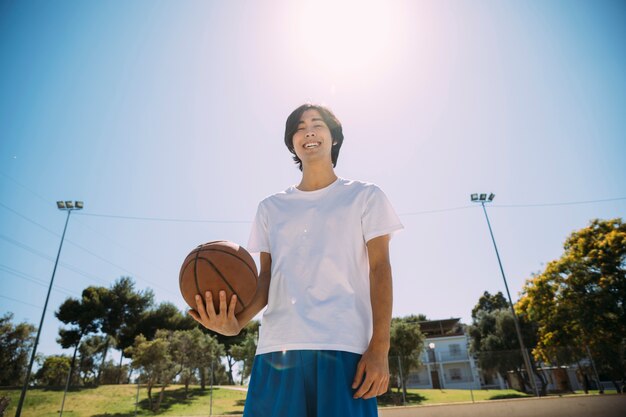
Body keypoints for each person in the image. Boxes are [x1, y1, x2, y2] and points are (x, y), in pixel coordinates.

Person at [190, 103, 403, 417]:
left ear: (334, 138)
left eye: (317, 124)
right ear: (292, 142)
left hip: (343, 345)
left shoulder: (365, 196)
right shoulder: (270, 208)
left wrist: (380, 347)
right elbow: (266, 280)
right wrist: (236, 324)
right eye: (299, 128)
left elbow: (379, 270)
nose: (309, 131)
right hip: (278, 350)